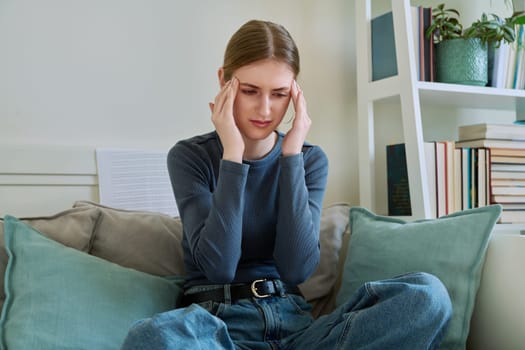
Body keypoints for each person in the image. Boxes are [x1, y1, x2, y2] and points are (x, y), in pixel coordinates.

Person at [121, 19, 452, 350]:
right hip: (218, 329)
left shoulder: (309, 160)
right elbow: (219, 267)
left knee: (427, 295)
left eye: (279, 94)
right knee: (150, 337)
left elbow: (296, 269)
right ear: (223, 81)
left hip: (296, 329)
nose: (265, 109)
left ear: (294, 93)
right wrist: (233, 155)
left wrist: (291, 156)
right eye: (250, 91)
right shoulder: (190, 157)